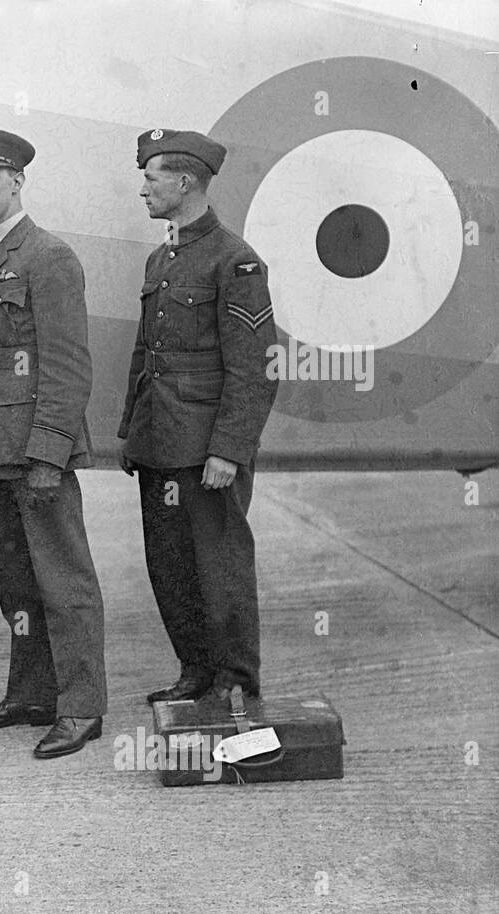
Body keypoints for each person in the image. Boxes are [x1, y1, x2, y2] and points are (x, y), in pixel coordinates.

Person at [0, 129, 108, 760]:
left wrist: (49, 453)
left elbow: (69, 366)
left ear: (17, 182)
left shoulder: (48, 256)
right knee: (14, 581)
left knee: (64, 582)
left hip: (36, 451)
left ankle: (82, 706)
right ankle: (31, 693)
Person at [118, 129, 279, 704]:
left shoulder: (235, 262)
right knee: (170, 565)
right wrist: (130, 432)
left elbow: (255, 369)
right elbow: (147, 354)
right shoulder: (161, 258)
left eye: (151, 176)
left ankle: (234, 685)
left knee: (220, 569)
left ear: (184, 182)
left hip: (206, 449)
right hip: (159, 441)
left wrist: (228, 451)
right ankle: (195, 673)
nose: (143, 189)